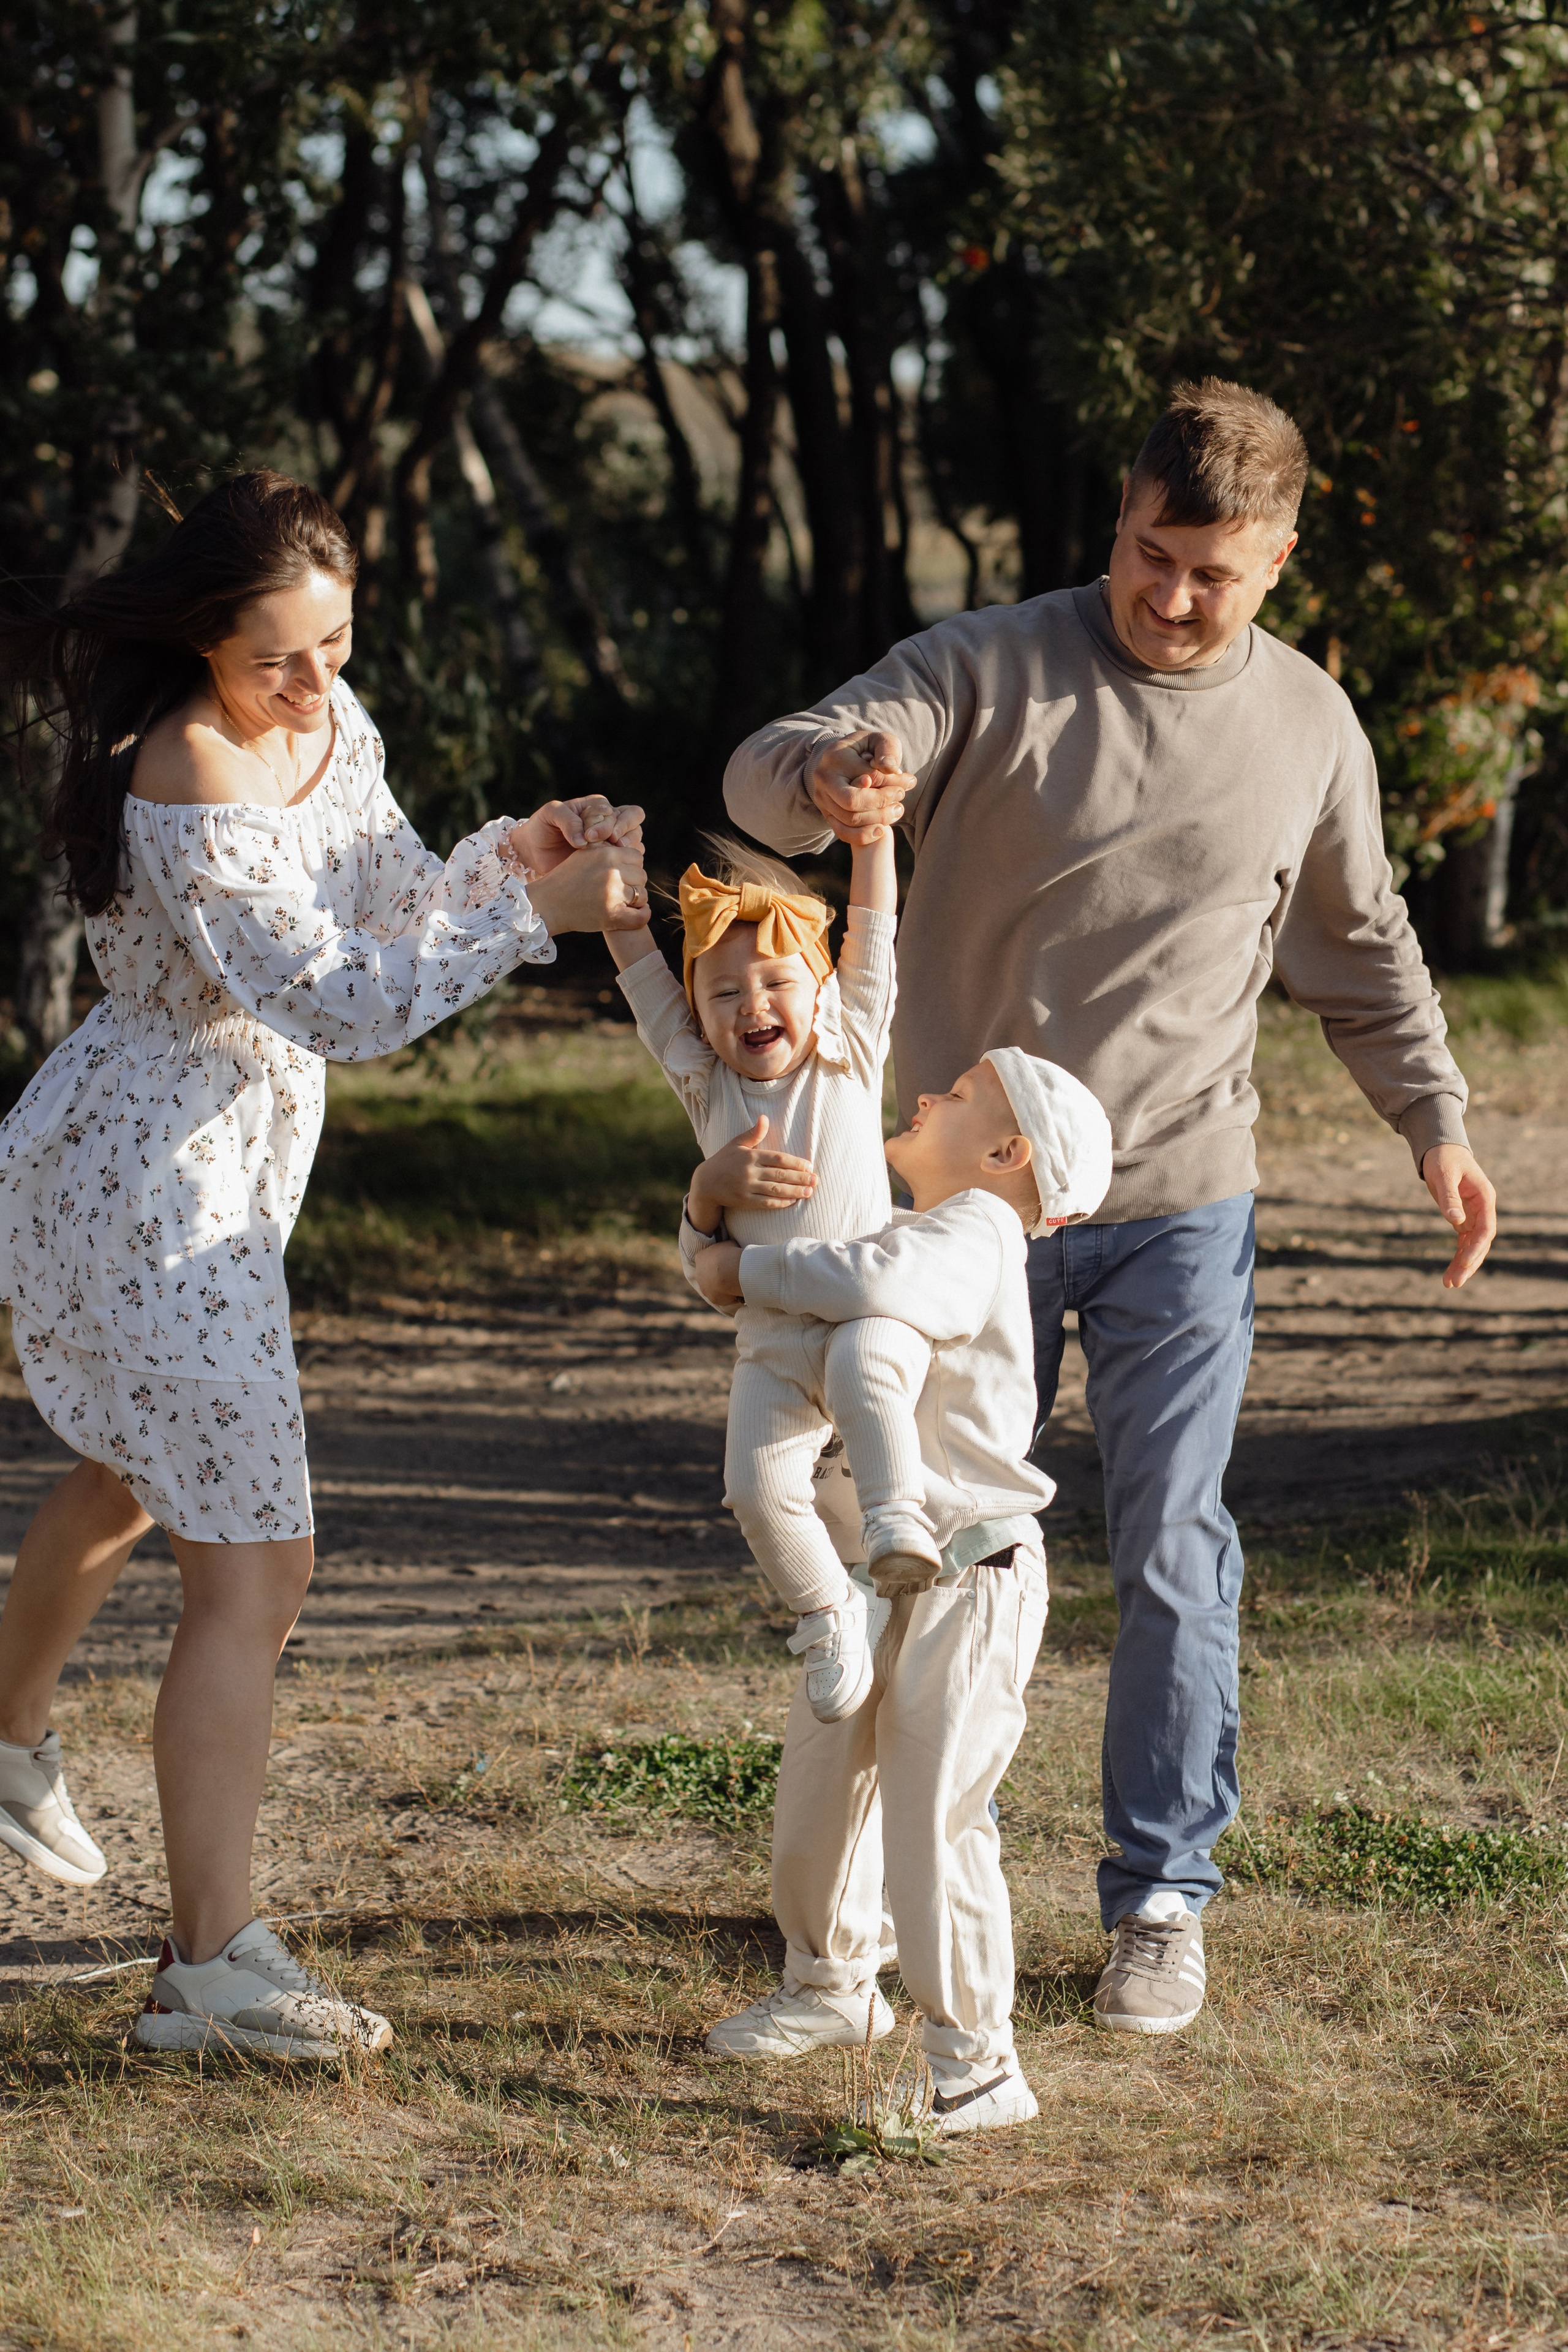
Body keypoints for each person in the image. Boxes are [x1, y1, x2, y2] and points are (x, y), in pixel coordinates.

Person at [722, 377, 1498, 2036]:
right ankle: (866, 1899)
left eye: (1212, 572)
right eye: (1151, 554)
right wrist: (836, 774)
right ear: (1120, 520)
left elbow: (1361, 947)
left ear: (1277, 559)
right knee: (916, 1545)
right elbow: (761, 778)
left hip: (1179, 1198)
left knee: (1172, 1545)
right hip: (962, 1217)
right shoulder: (983, 668)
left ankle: (1159, 1898)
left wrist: (1432, 1120)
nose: (1171, 596)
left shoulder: (1309, 727)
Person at [0, 469, 647, 2059]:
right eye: (276, 657)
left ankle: (6, 1740)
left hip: (218, 1172)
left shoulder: (323, 719)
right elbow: (340, 1002)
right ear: (202, 638)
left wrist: (515, 857)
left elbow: (392, 903)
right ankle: (211, 1968)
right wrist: (537, 917)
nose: (313, 682)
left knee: (137, 1473)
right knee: (259, 1567)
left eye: (336, 645)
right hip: (155, 1189)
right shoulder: (189, 773)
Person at [693, 1050, 1110, 2134]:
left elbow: (865, 1287)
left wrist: (743, 1272)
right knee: (823, 1787)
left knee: (934, 1815)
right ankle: (830, 1984)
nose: (927, 1097)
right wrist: (710, 1226)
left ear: (1008, 1154)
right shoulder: (910, 1228)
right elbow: (827, 1262)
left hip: (970, 1574)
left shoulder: (977, 1231)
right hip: (880, 1573)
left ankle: (977, 2068)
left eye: (958, 1097)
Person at [605, 821, 943, 1719]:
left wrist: (871, 838)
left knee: (869, 1374)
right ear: (698, 1013)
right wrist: (615, 905)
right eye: (724, 992)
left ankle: (896, 1519)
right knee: (753, 1488)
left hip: (864, 1309)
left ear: (821, 990)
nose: (752, 1005)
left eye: (775, 983)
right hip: (772, 1337)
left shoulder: (848, 1046)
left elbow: (875, 931)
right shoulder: (703, 1081)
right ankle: (829, 1612)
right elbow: (642, 981)